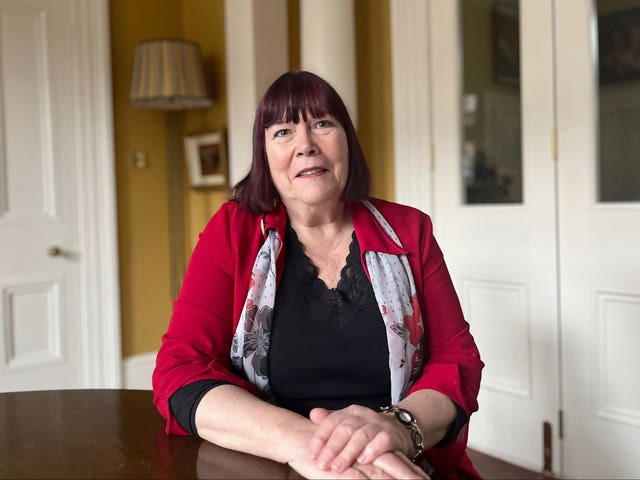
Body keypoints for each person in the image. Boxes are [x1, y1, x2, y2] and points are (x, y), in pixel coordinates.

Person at [153, 71, 484, 479]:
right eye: (283, 131)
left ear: (348, 140)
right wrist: (313, 448)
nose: (305, 145)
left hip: (398, 460)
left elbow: (457, 361)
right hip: (271, 461)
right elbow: (181, 368)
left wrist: (395, 430)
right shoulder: (233, 231)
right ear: (264, 154)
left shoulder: (409, 230)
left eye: (322, 124)